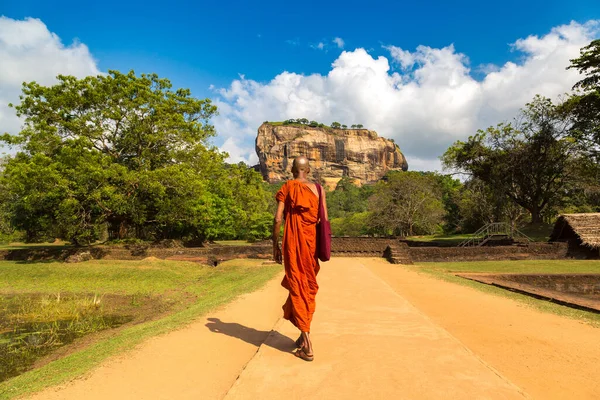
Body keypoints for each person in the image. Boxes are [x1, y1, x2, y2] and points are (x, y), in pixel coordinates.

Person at [272, 156, 328, 362]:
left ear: (291, 169)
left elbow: (278, 219)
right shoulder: (318, 189)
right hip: (310, 244)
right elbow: (324, 220)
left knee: (298, 286)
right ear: (309, 169)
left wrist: (274, 246)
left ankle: (308, 345)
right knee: (306, 287)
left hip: (293, 243)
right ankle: (301, 333)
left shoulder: (287, 187)